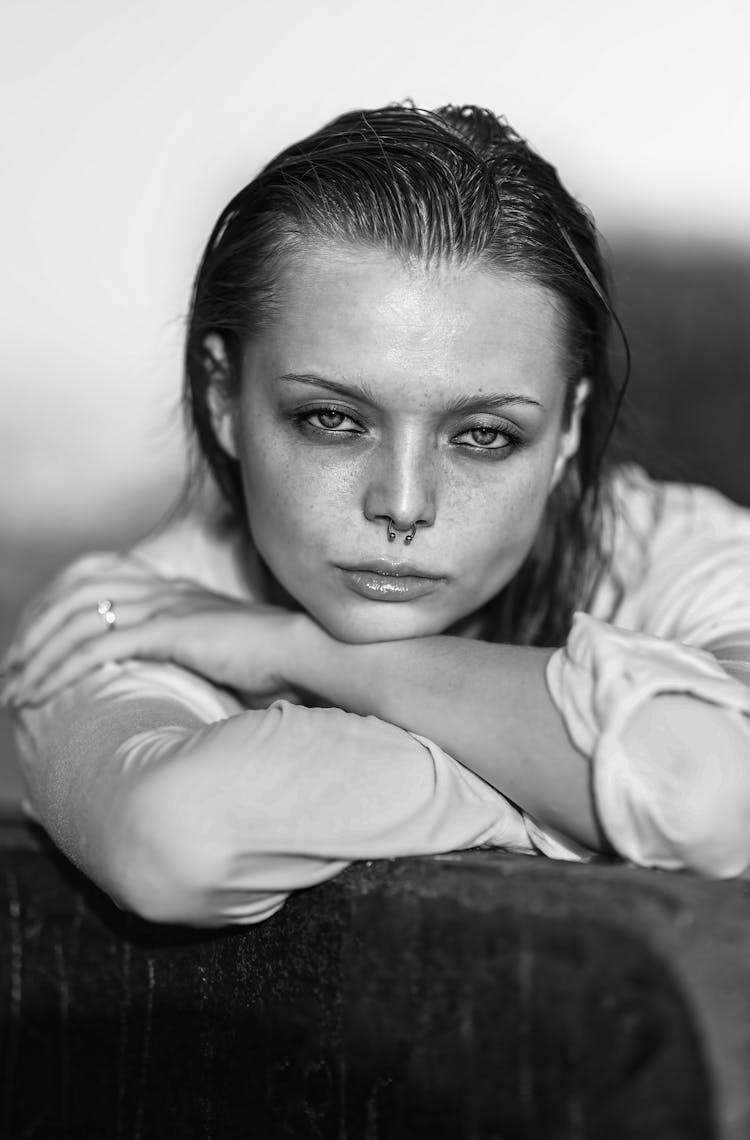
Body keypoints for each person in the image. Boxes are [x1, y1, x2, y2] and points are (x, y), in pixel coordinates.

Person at [3, 103, 750, 928]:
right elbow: (177, 841)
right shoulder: (115, 623)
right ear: (223, 398)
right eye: (333, 419)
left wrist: (303, 651)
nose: (401, 503)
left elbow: (712, 788)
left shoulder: (680, 557)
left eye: (483, 435)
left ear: (569, 428)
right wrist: (569, 789)